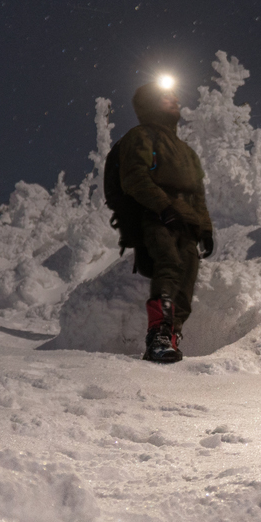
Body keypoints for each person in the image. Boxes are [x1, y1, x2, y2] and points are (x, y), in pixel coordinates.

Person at [105, 78, 214, 363]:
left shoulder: (187, 151)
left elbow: (197, 194)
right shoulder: (140, 136)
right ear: (152, 104)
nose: (175, 100)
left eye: (175, 97)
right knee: (169, 265)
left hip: (186, 223)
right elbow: (134, 177)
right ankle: (158, 336)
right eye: (166, 97)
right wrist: (164, 207)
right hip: (155, 215)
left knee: (186, 281)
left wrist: (205, 228)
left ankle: (171, 336)